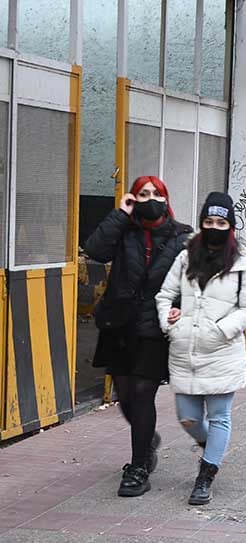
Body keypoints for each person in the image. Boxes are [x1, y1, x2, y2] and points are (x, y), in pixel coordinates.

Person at [86, 176, 192, 497]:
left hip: (154, 327)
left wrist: (179, 310)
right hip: (119, 324)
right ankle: (146, 439)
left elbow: (192, 280)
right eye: (142, 194)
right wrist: (121, 213)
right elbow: (95, 250)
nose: (149, 198)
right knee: (126, 397)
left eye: (155, 193)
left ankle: (139, 466)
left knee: (143, 394)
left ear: (165, 197)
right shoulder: (124, 230)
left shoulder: (182, 236)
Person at [156, 193, 246, 506]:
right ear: (202, 223)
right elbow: (164, 295)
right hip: (185, 350)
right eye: (208, 221)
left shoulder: (243, 263)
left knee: (219, 417)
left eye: (221, 222)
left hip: (221, 351)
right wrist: (170, 320)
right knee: (187, 418)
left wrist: (221, 330)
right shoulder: (186, 256)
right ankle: (210, 446)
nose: (214, 227)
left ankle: (206, 474)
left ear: (230, 225)